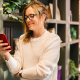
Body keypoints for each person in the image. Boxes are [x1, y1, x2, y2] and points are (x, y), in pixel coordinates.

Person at [0, 1, 60, 80]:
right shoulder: (22, 39)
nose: (28, 20)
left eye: (31, 16)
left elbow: (43, 72)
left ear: (43, 17)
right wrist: (6, 54)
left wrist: (20, 74)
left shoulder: (53, 40)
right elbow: (15, 69)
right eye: (26, 17)